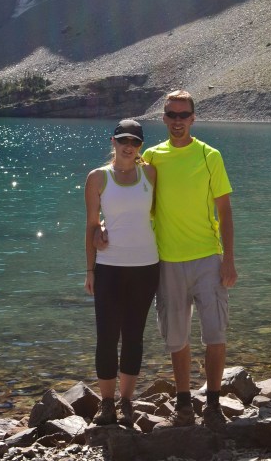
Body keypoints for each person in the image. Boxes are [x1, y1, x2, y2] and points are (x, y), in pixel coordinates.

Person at [142, 90, 237, 432]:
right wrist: (103, 226)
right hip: (167, 260)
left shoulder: (209, 155)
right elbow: (133, 199)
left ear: (193, 118)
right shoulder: (151, 158)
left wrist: (228, 260)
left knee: (215, 334)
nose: (178, 121)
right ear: (164, 118)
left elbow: (225, 211)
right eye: (172, 115)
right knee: (176, 337)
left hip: (207, 259)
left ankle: (212, 403)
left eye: (184, 115)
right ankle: (184, 404)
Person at [84, 118, 159, 427]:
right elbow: (90, 225)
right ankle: (107, 404)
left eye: (135, 142)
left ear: (140, 146)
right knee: (106, 337)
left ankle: (126, 402)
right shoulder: (98, 178)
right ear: (112, 141)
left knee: (133, 336)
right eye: (123, 140)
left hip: (146, 266)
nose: (129, 146)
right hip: (109, 268)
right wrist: (90, 269)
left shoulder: (151, 174)